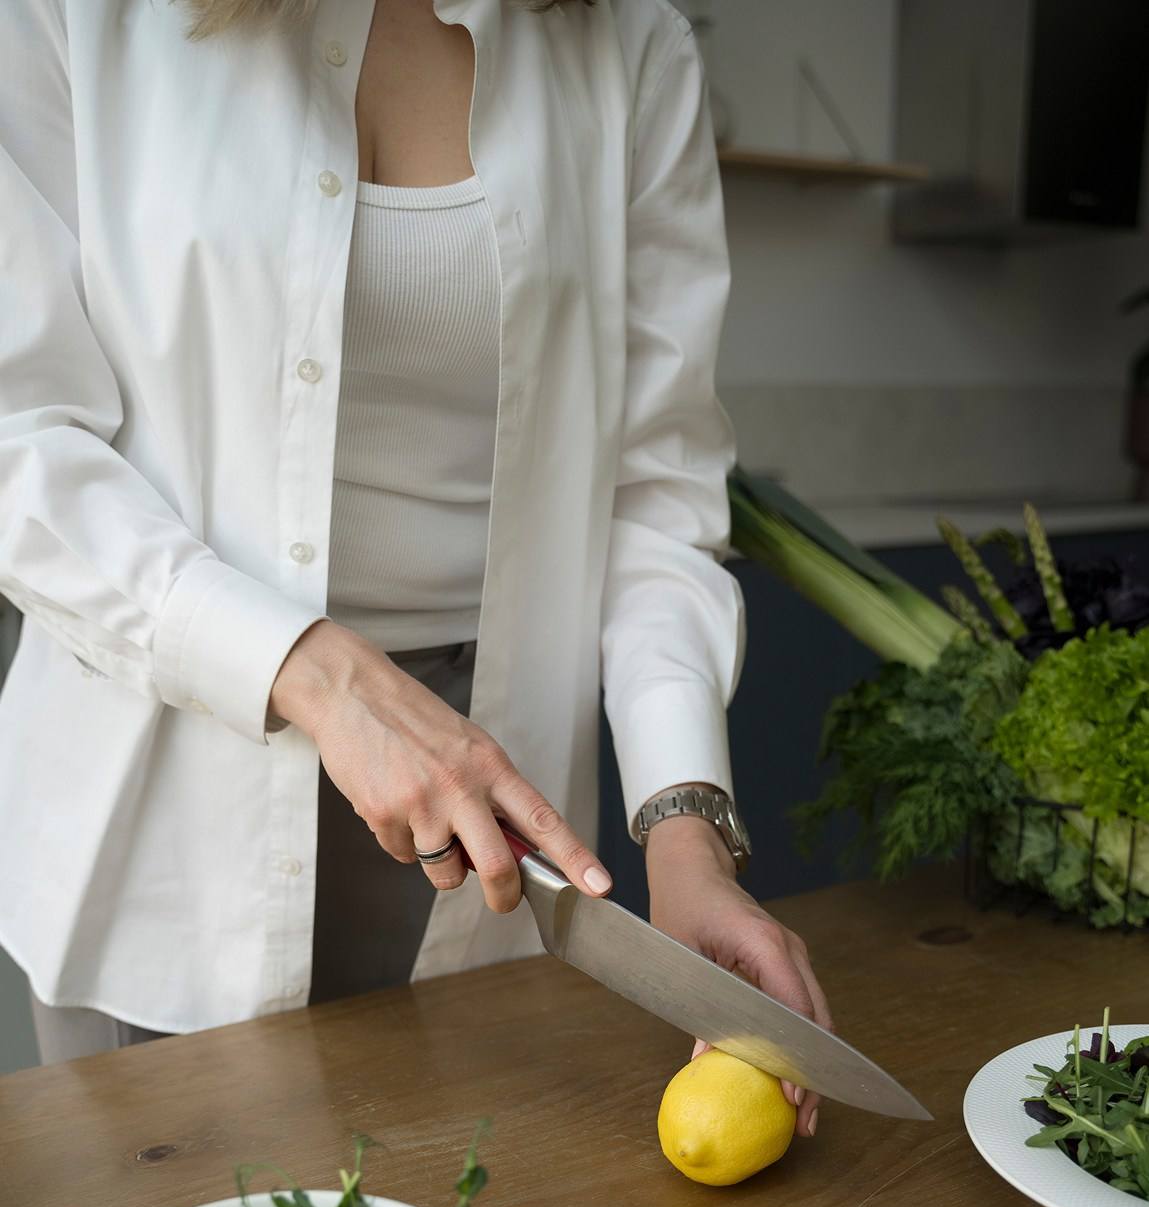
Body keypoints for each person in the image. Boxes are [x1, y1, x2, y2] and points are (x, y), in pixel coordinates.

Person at [0, 0, 830, 1135]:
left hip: (493, 810)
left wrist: (686, 835)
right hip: (162, 795)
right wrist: (319, 675)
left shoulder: (633, 47)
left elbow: (654, 491)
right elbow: (20, 439)